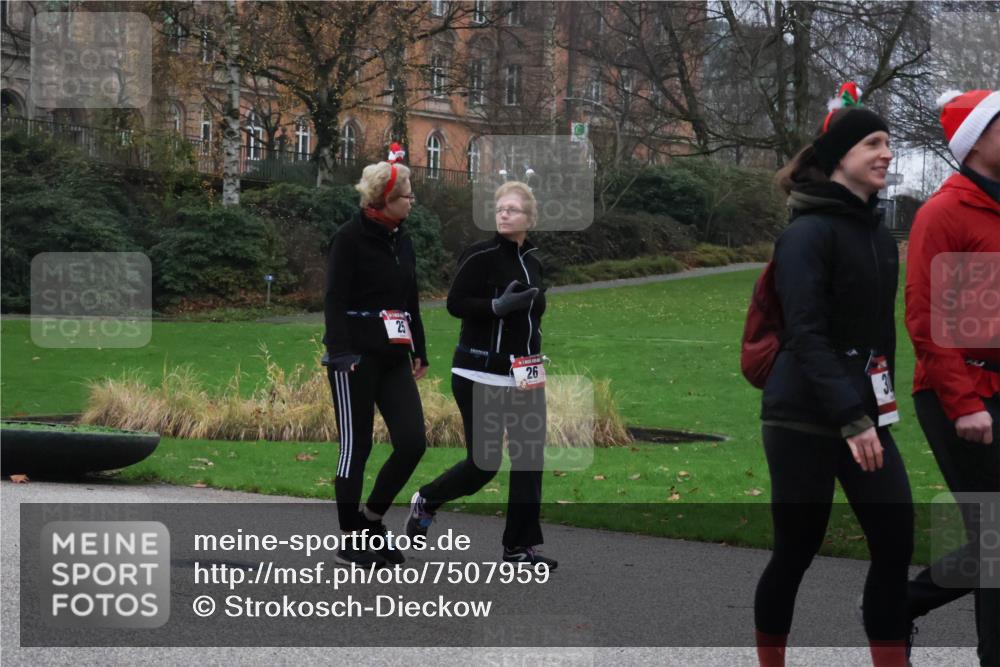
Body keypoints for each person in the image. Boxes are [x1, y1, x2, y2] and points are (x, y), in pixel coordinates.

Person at [753, 83, 914, 667]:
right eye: (873, 142)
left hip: (864, 415)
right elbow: (807, 334)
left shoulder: (879, 235)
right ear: (839, 154)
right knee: (796, 550)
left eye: (889, 144)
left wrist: (878, 412)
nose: (887, 154)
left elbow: (877, 337)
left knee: (896, 543)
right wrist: (849, 417)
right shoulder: (806, 233)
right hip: (803, 416)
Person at [404, 181, 556, 569]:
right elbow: (455, 303)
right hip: (479, 372)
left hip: (524, 374)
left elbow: (533, 316)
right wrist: (496, 306)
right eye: (500, 209)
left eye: (513, 210)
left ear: (530, 218)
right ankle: (427, 499)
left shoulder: (534, 263)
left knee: (528, 460)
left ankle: (518, 548)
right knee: (484, 464)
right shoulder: (481, 254)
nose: (504, 214)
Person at [904, 88, 1000, 667]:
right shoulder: (944, 213)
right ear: (979, 139)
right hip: (959, 394)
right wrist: (963, 403)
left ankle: (895, 605)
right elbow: (927, 318)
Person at [323, 154, 429, 568]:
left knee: (412, 442)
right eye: (406, 195)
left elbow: (411, 298)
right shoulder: (349, 238)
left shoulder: (402, 238)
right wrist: (341, 352)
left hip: (394, 355)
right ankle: (351, 539)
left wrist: (419, 348)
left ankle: (370, 520)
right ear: (383, 200)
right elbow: (333, 298)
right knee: (357, 447)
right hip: (355, 357)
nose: (412, 201)